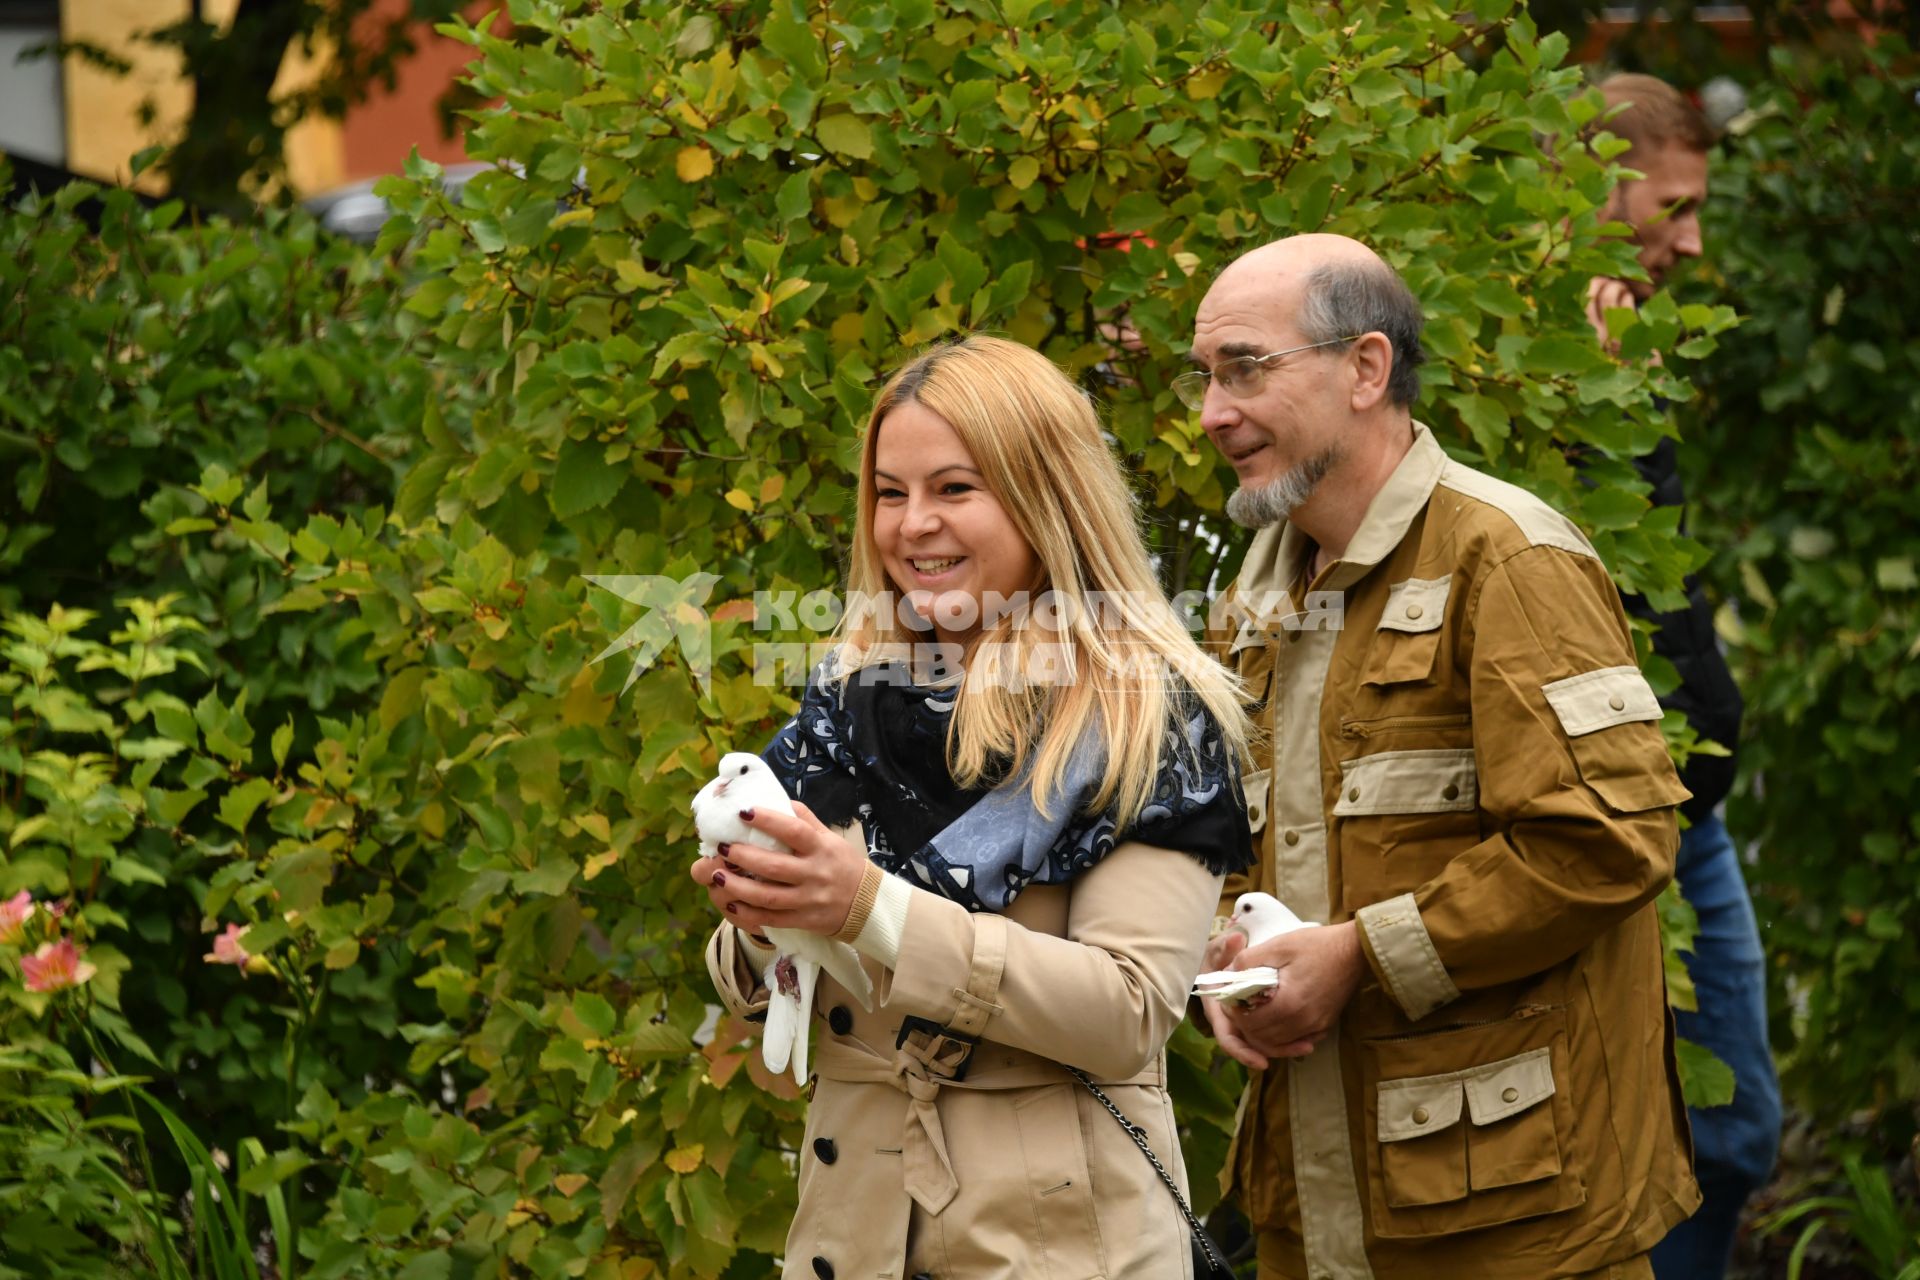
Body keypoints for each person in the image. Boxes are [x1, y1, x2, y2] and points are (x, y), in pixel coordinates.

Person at [1186, 233, 1700, 1279]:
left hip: (1512, 1222)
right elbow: (1238, 847)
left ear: (1366, 368)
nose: (1212, 413)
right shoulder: (1253, 596)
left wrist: (1357, 956)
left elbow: (1608, 839)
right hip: (1317, 1211)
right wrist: (1224, 966)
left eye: (1245, 368)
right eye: (1205, 377)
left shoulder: (1508, 556)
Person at [693, 335, 1256, 1280]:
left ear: (1047, 499)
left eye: (956, 489)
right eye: (890, 492)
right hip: (853, 1237)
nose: (914, 526)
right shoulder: (850, 694)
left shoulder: (1145, 712)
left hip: (1056, 1247)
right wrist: (760, 915)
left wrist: (866, 908)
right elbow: (756, 982)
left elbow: (1126, 1012)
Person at [1589, 72, 1782, 1280]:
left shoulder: (1611, 354)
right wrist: (1590, 401)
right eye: (1674, 204)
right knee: (1711, 1132)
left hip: (1684, 814)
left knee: (1735, 1127)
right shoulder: (1529, 372)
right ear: (1596, 191)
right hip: (1615, 820)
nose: (1693, 238)